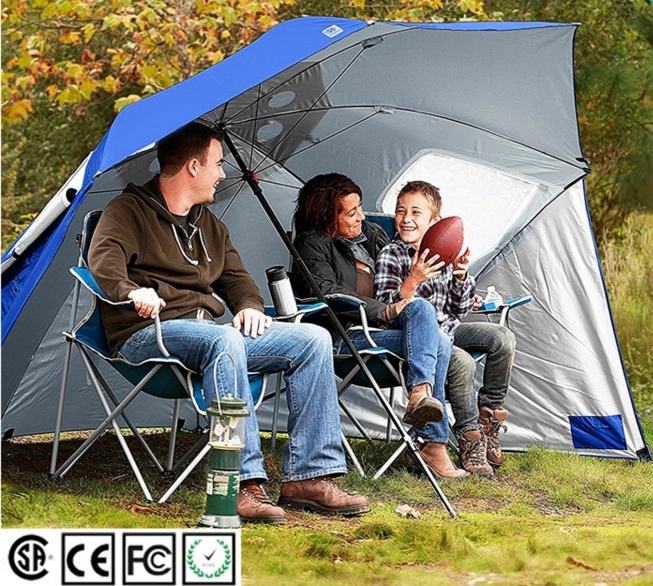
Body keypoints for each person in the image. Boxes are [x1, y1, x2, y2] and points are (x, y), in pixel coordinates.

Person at [88, 122, 369, 524]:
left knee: (312, 339)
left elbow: (238, 280)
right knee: (226, 342)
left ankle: (309, 476)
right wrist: (132, 291)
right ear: (193, 167)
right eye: (218, 164)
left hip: (209, 333)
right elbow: (104, 261)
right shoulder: (128, 211)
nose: (223, 173)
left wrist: (250, 306)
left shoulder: (209, 225)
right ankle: (240, 483)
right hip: (147, 332)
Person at [293, 173, 466, 480]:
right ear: (328, 217)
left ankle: (420, 395)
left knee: (425, 315)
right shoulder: (311, 246)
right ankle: (433, 443)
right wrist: (385, 310)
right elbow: (328, 292)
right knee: (436, 340)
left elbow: (399, 270)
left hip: (382, 333)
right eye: (351, 213)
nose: (362, 216)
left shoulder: (370, 234)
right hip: (346, 338)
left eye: (359, 207)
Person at [374, 180, 516, 477]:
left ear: (435, 221)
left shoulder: (445, 254)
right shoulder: (391, 254)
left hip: (450, 328)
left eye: (416, 212)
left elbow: (460, 310)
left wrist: (461, 276)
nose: (406, 218)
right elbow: (384, 313)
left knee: (502, 338)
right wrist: (413, 279)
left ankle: (488, 418)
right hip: (419, 338)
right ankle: (469, 436)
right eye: (401, 211)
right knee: (462, 361)